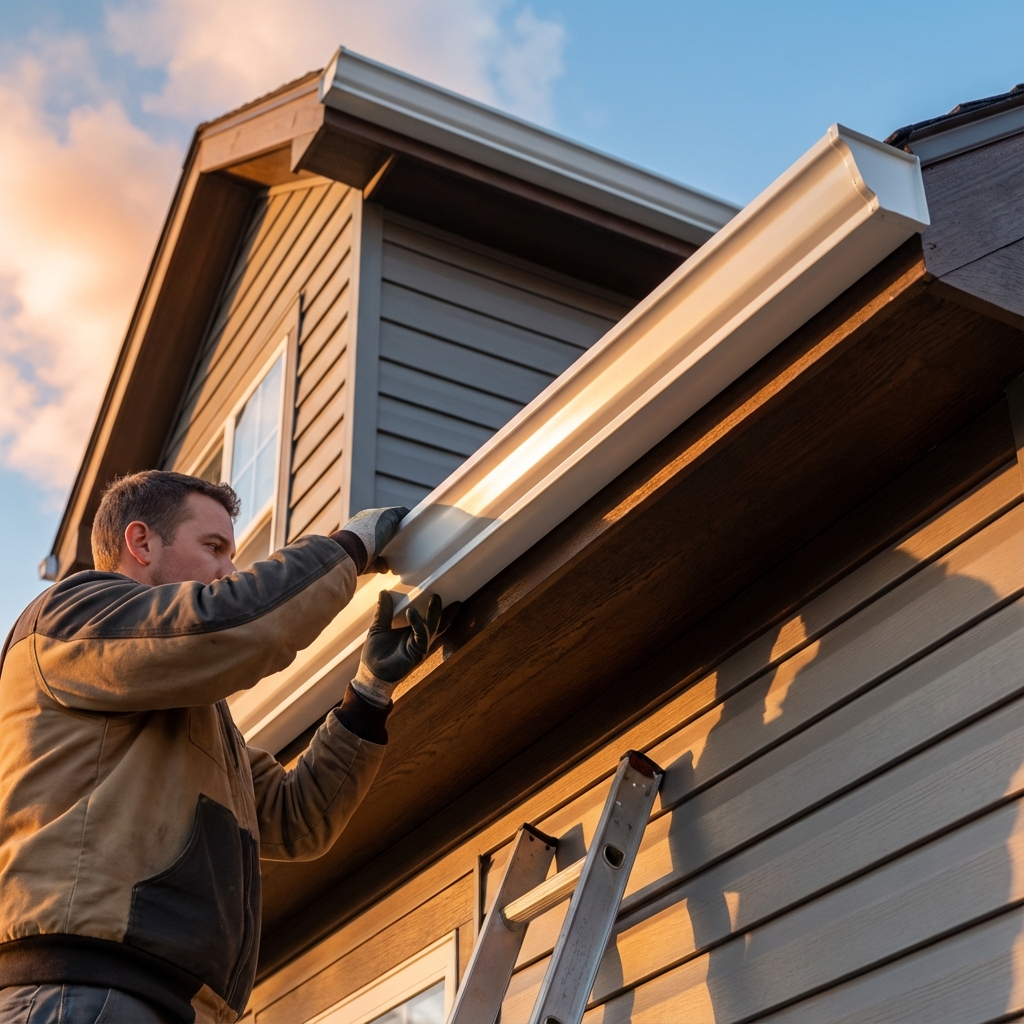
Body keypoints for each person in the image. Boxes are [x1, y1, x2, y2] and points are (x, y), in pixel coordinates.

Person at [0, 470, 452, 1023]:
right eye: (213, 547)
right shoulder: (70, 617)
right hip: (82, 991)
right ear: (140, 543)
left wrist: (368, 694)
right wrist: (348, 548)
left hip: (168, 1003)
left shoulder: (192, 719)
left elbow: (296, 819)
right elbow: (231, 623)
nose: (228, 568)